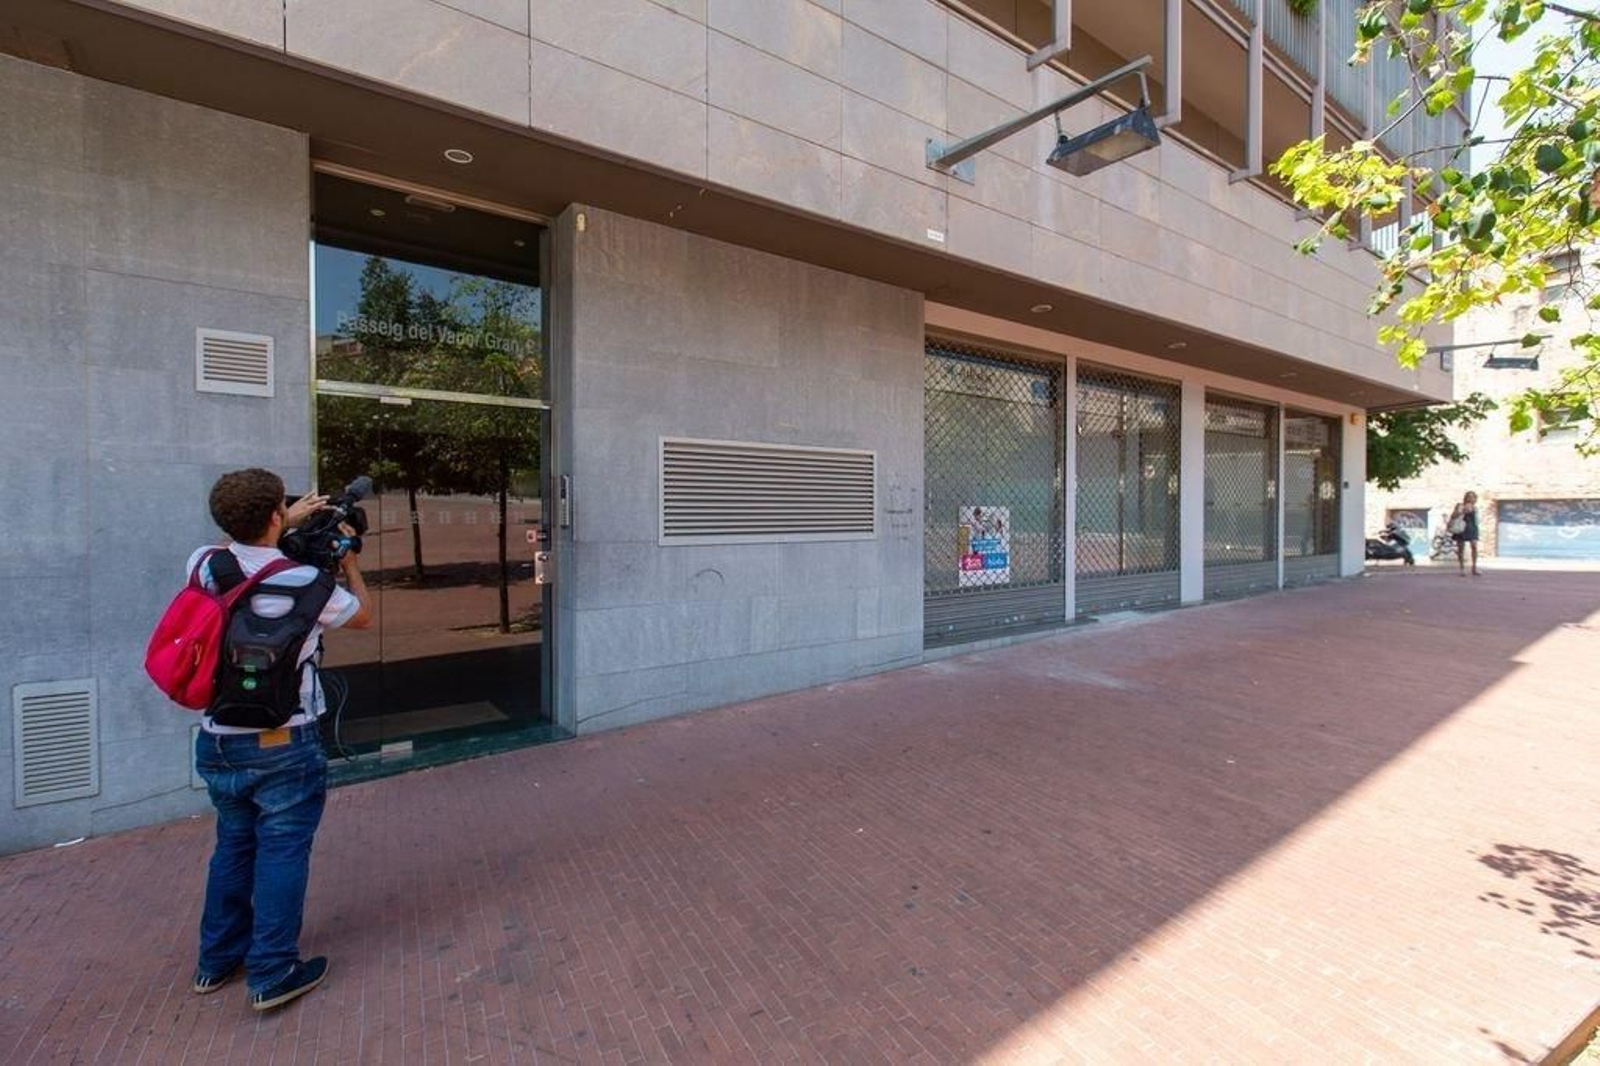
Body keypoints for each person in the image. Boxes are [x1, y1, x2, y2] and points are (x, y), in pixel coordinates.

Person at [188, 468, 371, 1011]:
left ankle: (216, 961)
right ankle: (271, 971)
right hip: (284, 737)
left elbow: (232, 547)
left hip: (218, 738)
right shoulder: (308, 583)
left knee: (233, 844)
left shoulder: (204, 565)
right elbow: (362, 617)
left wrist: (276, 524)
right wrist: (349, 562)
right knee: (283, 850)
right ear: (275, 515)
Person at [1448, 490, 1481, 577]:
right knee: (1461, 548)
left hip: (1472, 528)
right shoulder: (1460, 505)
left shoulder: (1475, 507)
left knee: (1474, 546)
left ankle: (1474, 567)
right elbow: (1453, 516)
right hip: (1461, 528)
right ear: (1465, 498)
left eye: (1473, 497)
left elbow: (1476, 520)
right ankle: (1462, 569)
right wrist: (1463, 511)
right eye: (1469, 496)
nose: (1471, 498)